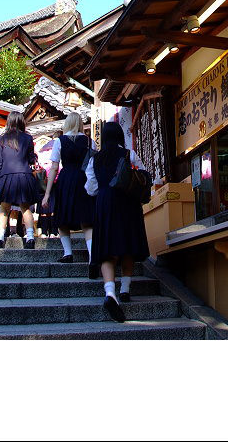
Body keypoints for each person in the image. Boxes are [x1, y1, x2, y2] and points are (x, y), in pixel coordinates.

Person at [84, 121, 149, 323]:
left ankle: (110, 292)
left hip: (105, 203)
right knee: (127, 244)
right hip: (127, 202)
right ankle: (126, 289)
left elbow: (90, 188)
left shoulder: (95, 159)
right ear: (120, 136)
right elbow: (143, 175)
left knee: (107, 249)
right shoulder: (129, 154)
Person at [41, 112, 96, 275]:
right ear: (79, 123)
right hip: (84, 179)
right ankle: (93, 256)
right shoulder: (89, 141)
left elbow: (54, 168)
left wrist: (47, 192)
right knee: (86, 220)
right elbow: (93, 163)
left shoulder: (59, 141)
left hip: (65, 180)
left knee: (62, 217)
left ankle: (68, 253)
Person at [0, 111, 38, 249]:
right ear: (21, 122)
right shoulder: (28, 138)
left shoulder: (1, 139)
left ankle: (0, 238)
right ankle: (30, 237)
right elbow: (31, 159)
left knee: (4, 209)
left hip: (6, 176)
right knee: (25, 208)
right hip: (24, 175)